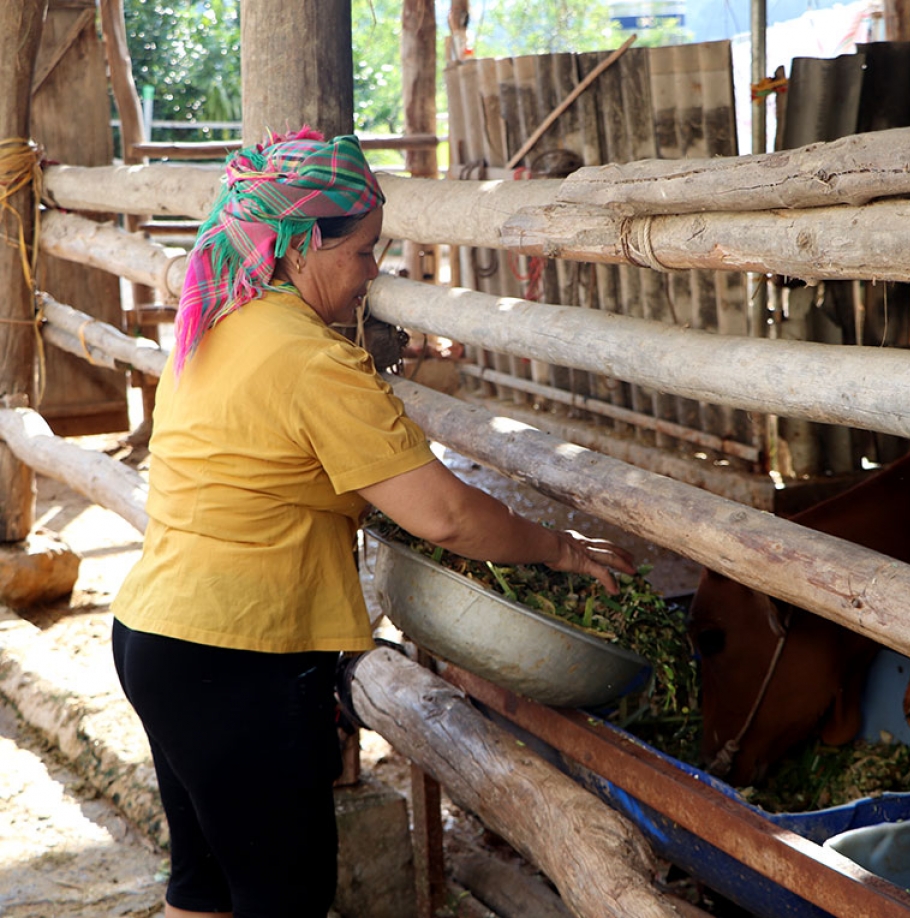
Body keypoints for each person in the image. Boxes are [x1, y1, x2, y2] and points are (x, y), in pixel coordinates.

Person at [110, 128, 635, 918]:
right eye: (361, 253)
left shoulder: (217, 320)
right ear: (296, 249)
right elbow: (448, 515)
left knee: (204, 887)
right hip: (240, 657)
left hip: (158, 638)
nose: (372, 275)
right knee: (284, 901)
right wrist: (559, 548)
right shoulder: (310, 360)